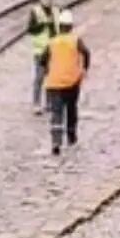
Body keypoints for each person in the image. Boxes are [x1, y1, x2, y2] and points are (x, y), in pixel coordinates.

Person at [41, 9, 91, 156]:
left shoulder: (52, 42)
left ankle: (56, 143)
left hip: (54, 83)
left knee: (56, 113)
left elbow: (42, 60)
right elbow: (86, 53)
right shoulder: (75, 40)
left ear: (59, 26)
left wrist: (48, 71)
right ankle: (71, 136)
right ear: (71, 26)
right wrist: (84, 69)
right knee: (71, 109)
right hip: (72, 82)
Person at [26, 0, 58, 115]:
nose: (48, 0)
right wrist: (43, 24)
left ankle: (50, 103)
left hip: (53, 50)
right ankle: (36, 103)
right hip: (40, 51)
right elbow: (30, 30)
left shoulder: (56, 11)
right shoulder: (35, 12)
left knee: (51, 78)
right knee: (39, 78)